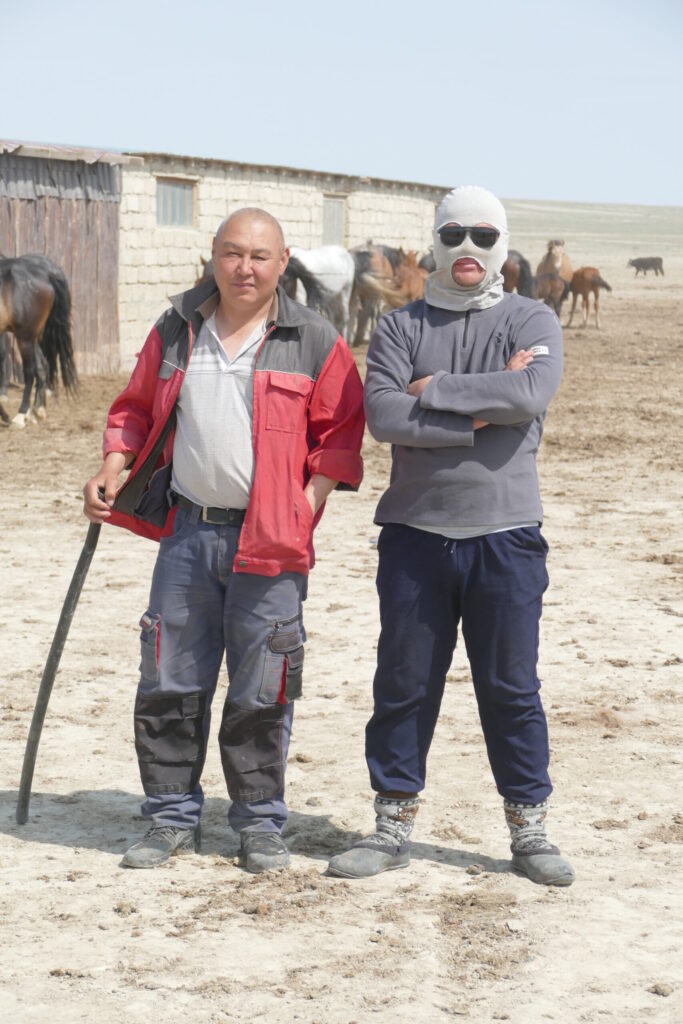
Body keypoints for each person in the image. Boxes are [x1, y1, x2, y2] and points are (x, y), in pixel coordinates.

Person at [83, 208, 364, 872]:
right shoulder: (177, 327)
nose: (245, 268)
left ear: (282, 262)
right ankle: (169, 818)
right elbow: (135, 409)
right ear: (213, 255)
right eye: (233, 253)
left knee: (263, 686)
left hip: (270, 543)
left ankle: (259, 825)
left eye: (260, 256)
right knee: (169, 680)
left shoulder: (315, 339)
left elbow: (340, 437)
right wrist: (112, 466)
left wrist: (302, 508)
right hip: (187, 534)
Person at [327, 186, 574, 886]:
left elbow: (529, 396)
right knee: (403, 685)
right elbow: (383, 415)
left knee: (511, 688)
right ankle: (390, 826)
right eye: (454, 233)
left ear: (502, 243)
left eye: (484, 236)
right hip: (414, 533)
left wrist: (429, 387)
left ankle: (528, 830)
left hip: (506, 535)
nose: (468, 248)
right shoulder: (400, 325)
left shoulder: (532, 318)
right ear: (434, 239)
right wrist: (481, 410)